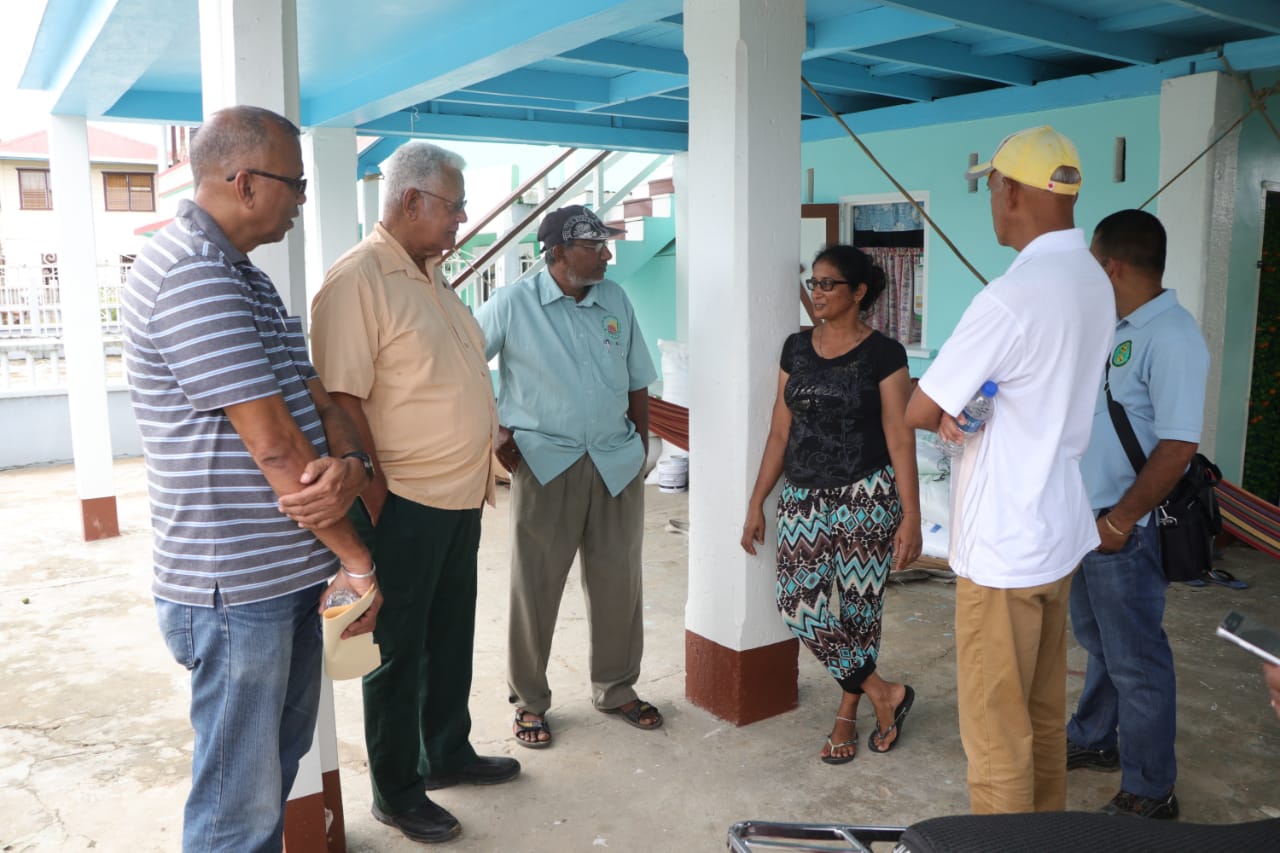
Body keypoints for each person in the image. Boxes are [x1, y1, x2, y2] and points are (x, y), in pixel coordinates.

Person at [121, 105, 381, 852]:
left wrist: (352, 463)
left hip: (288, 573)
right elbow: (273, 445)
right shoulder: (189, 275)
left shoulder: (248, 281)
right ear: (243, 181)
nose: (301, 199)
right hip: (234, 588)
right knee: (237, 806)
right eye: (294, 184)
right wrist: (358, 558)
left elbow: (316, 399)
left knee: (273, 769)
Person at [309, 141, 518, 845]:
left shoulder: (429, 276)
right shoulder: (359, 279)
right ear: (413, 201)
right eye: (455, 207)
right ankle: (397, 791)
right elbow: (341, 397)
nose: (462, 220)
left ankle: (446, 751)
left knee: (449, 634)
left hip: (459, 496)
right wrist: (374, 498)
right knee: (397, 648)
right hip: (403, 503)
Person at [904, 125, 1114, 813]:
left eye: (992, 186)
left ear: (1014, 192)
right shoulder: (1093, 279)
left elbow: (918, 404)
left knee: (996, 739)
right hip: (1056, 532)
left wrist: (945, 408)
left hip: (1003, 548)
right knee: (1042, 718)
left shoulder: (1010, 297)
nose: (991, 202)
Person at [475, 205, 661, 748]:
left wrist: (642, 450)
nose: (607, 254)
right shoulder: (513, 303)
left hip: (615, 464)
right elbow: (461, 363)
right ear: (557, 252)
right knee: (535, 588)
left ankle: (617, 688)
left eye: (606, 244)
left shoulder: (616, 300)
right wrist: (495, 430)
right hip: (546, 463)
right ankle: (529, 702)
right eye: (595, 246)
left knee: (619, 584)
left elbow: (638, 381)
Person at [741, 245, 923, 764]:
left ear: (858, 292)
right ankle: (885, 692)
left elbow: (899, 435)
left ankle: (847, 715)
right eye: (814, 283)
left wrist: (910, 516)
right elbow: (780, 432)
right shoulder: (795, 348)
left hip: (866, 494)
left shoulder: (885, 354)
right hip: (802, 496)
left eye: (828, 285)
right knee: (799, 604)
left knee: (860, 611)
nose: (817, 293)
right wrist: (757, 502)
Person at [1066, 209, 1208, 819]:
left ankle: (1152, 790)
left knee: (1138, 659)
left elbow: (1178, 445)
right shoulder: (1118, 327)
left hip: (1126, 527)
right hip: (1088, 521)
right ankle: (1095, 736)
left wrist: (1120, 523)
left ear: (1111, 265)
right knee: (1100, 639)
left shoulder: (1171, 334)